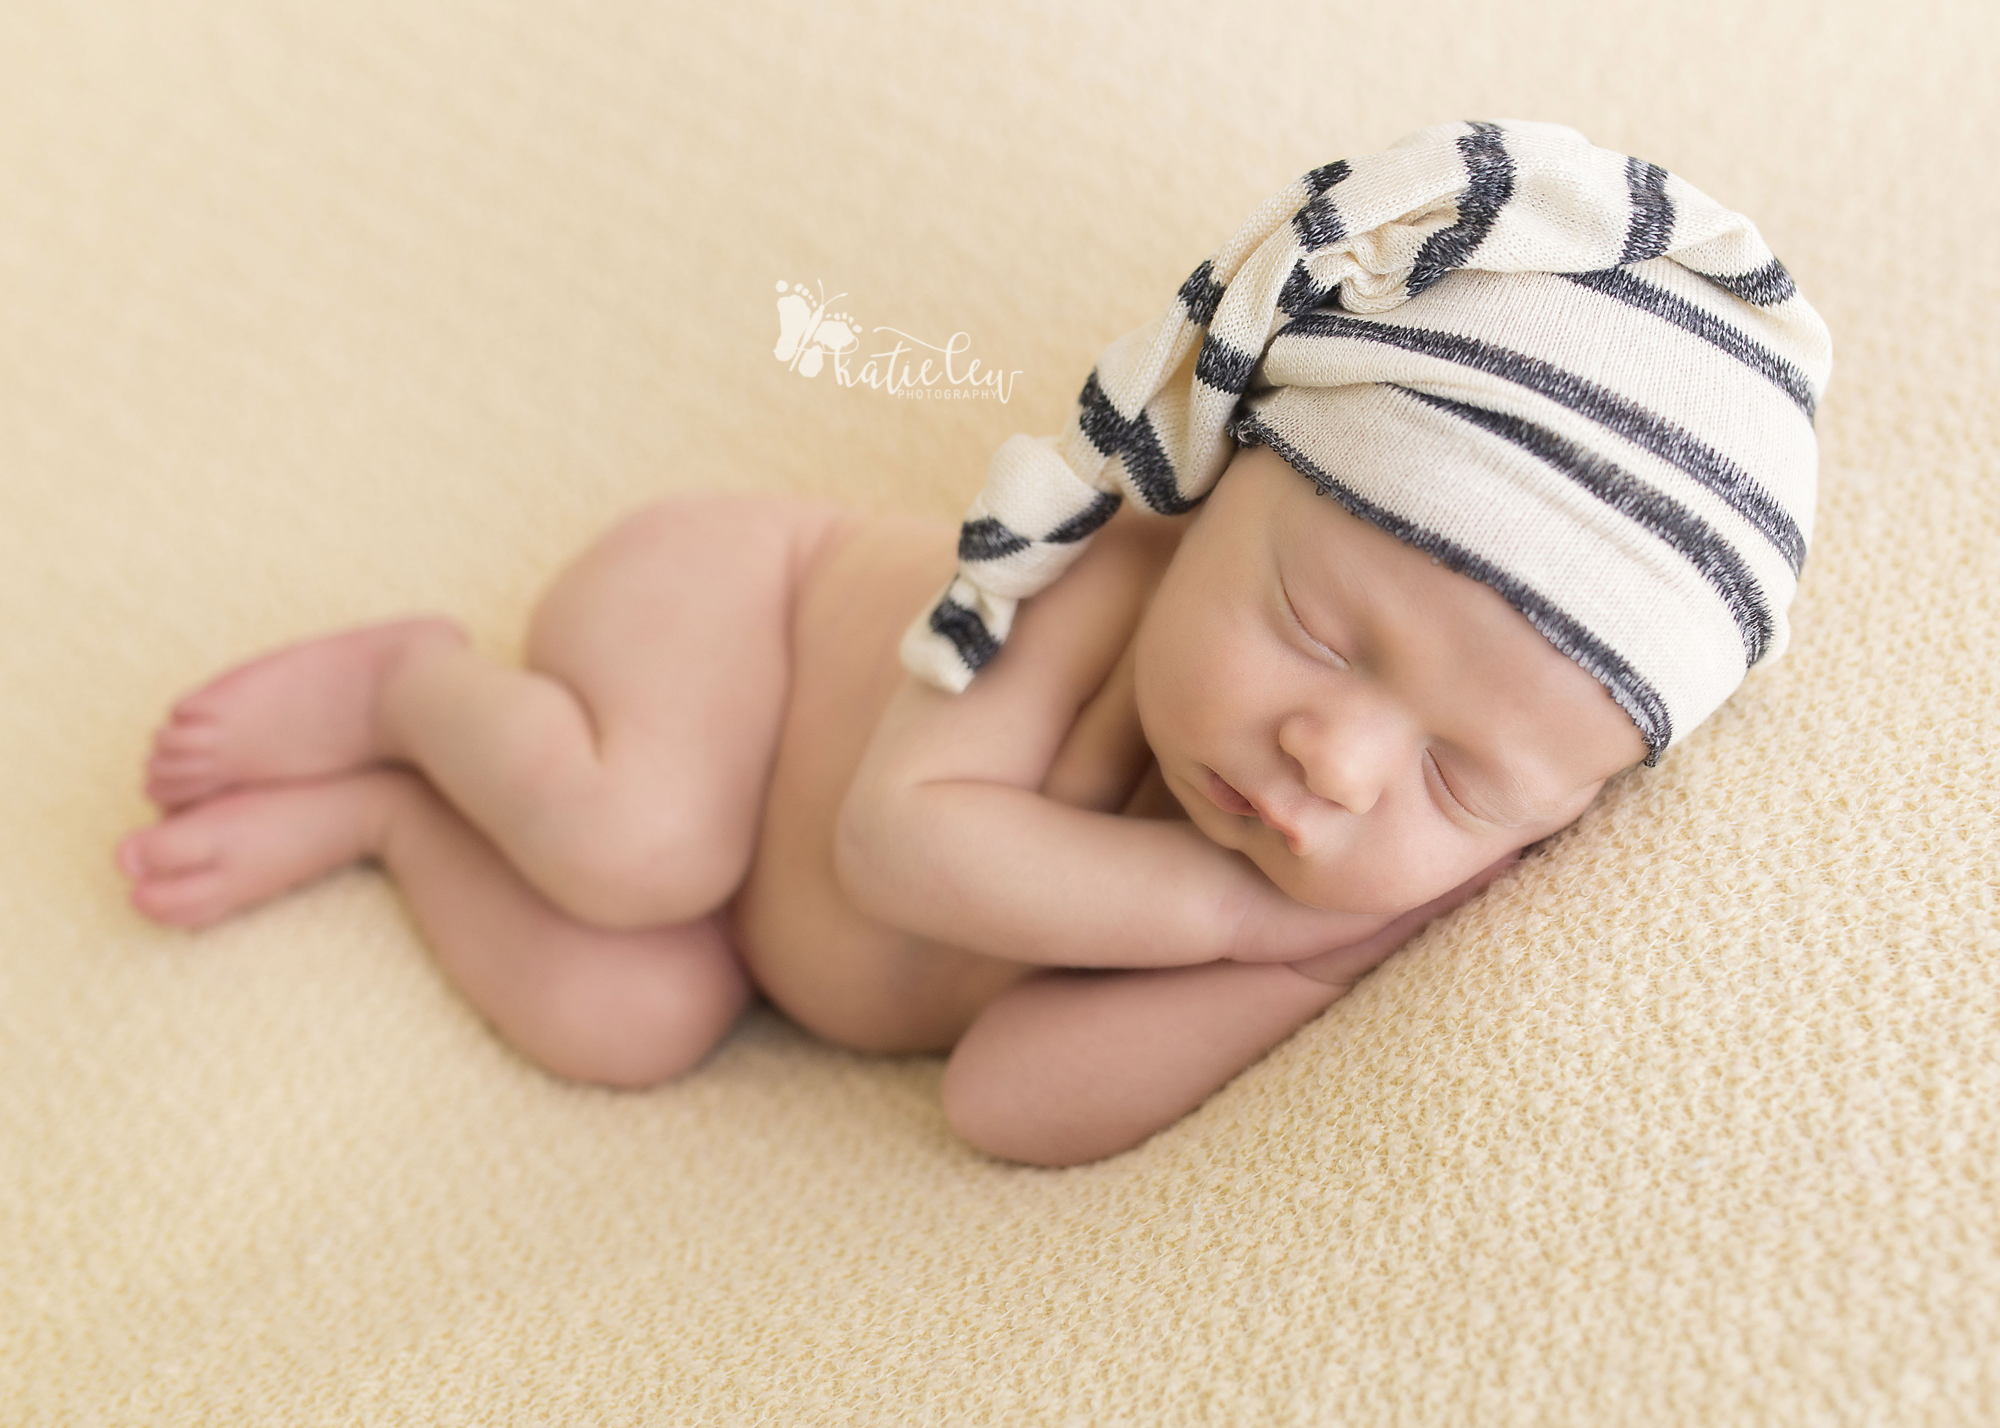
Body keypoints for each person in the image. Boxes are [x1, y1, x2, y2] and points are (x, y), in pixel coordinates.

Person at [113, 121, 1830, 1167]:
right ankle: (411, 684)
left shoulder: (1303, 899)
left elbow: (1006, 1101)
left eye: (1464, 783)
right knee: (636, 845)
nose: (1340, 758)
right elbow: (895, 841)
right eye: (1316, 625)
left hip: (750, 960)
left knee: (619, 1014)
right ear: (1224, 481)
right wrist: (1240, 909)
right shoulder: (1101, 581)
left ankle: (393, 819)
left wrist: (1308, 962)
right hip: (733, 630)